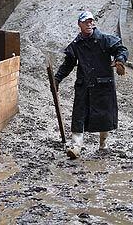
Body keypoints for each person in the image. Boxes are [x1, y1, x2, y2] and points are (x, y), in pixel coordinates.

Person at [54, 11, 128, 159]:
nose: (89, 24)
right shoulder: (76, 45)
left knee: (104, 115)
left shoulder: (105, 39)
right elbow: (68, 64)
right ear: (79, 24)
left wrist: (120, 60)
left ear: (93, 23)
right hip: (84, 86)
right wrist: (57, 79)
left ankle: (103, 144)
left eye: (91, 21)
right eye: (85, 22)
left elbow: (121, 49)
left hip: (103, 85)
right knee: (79, 114)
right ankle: (76, 146)